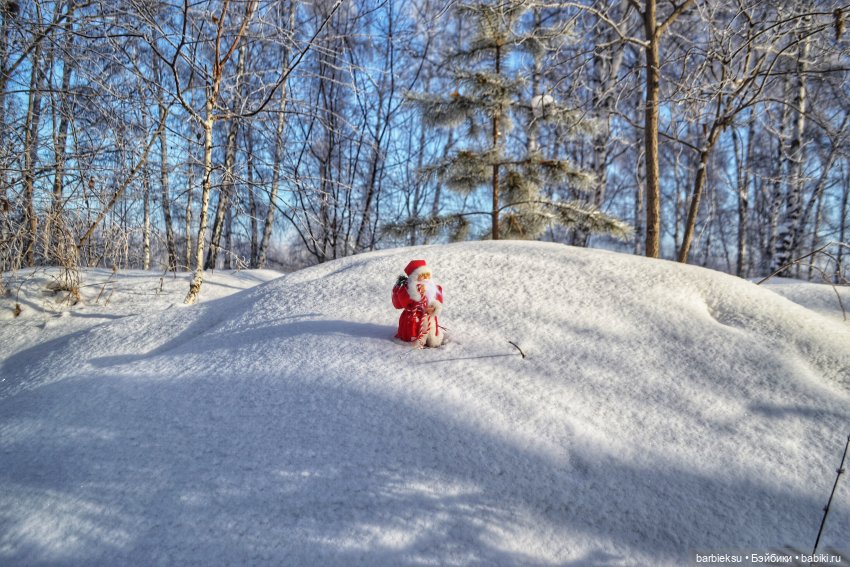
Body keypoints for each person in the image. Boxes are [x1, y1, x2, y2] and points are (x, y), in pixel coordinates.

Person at [392, 259, 444, 347]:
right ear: (414, 277)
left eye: (427, 274)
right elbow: (401, 303)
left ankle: (431, 341)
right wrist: (416, 293)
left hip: (429, 316)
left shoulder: (434, 287)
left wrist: (434, 307)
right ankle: (415, 342)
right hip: (413, 318)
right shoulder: (407, 289)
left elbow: (439, 300)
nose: (425, 277)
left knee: (431, 332)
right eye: (421, 275)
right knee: (415, 335)